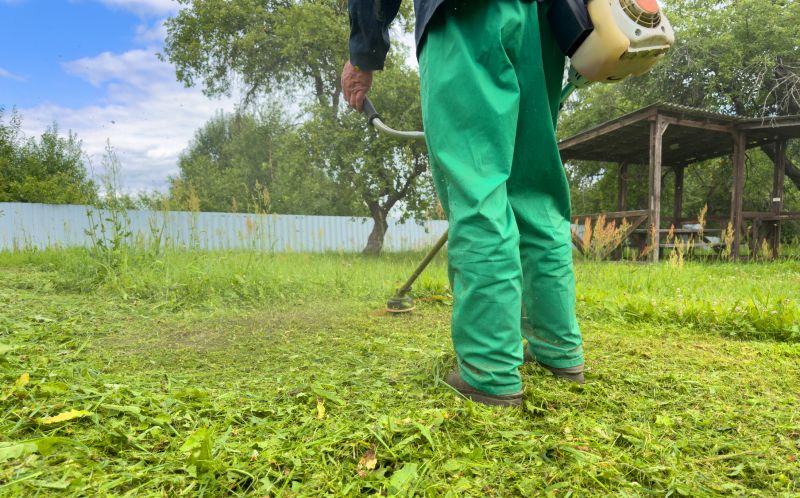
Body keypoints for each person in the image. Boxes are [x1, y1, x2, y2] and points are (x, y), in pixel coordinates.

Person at [342, 0, 585, 407]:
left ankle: (490, 371)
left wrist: (362, 54)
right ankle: (559, 350)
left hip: (467, 15)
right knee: (535, 190)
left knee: (478, 184)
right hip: (546, 24)